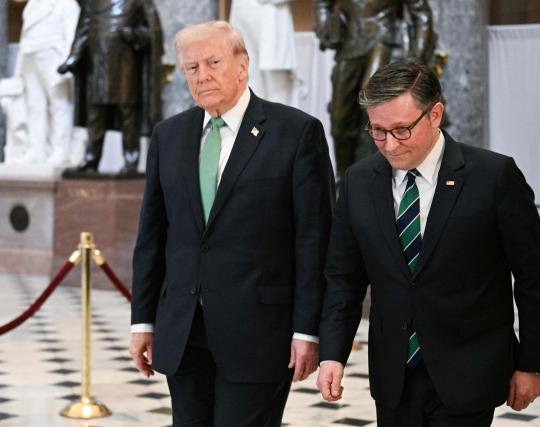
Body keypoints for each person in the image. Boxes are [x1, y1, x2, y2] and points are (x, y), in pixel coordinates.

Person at [316, 61, 540, 426]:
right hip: (394, 374)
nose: (390, 145)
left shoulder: (493, 177)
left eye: (401, 130)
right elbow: (343, 277)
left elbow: (533, 278)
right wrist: (332, 354)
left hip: (469, 371)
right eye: (378, 132)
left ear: (435, 114)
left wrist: (532, 364)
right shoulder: (359, 181)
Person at [129, 21, 334, 427]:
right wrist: (143, 321)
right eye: (191, 68)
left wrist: (308, 331)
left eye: (213, 62)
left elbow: (315, 243)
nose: (202, 75)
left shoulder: (296, 133)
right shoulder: (169, 136)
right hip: (184, 331)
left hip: (259, 334)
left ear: (243, 67)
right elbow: (152, 237)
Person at [313, 0, 437, 178]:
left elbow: (421, 13)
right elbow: (322, 4)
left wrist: (417, 60)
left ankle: (375, 177)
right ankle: (343, 178)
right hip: (350, 43)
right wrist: (325, 25)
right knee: (340, 118)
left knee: (372, 108)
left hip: (384, 40)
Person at [58, 0, 164, 175]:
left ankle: (131, 161)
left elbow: (153, 32)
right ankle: (91, 160)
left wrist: (135, 35)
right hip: (97, 65)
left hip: (125, 66)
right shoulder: (92, 3)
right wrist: (72, 59)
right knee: (95, 113)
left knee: (128, 112)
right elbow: (83, 32)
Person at [12, 0, 80, 165]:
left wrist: (67, 63)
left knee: (59, 104)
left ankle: (61, 151)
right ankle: (37, 150)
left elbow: (71, 36)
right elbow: (24, 37)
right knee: (35, 106)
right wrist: (18, 70)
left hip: (53, 56)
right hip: (30, 55)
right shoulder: (32, 5)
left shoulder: (67, 5)